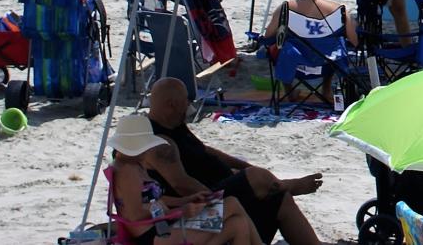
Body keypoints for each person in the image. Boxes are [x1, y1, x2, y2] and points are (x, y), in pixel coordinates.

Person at [145, 77, 324, 245]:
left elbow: (206, 151)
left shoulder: (175, 124)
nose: (189, 105)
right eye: (186, 100)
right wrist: (216, 200)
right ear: (171, 104)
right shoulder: (159, 142)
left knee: (279, 197)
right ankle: (288, 185)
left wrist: (244, 168)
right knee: (256, 178)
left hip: (222, 189)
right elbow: (182, 184)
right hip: (205, 203)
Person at [110, 113, 262, 244]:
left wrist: (186, 200)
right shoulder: (127, 171)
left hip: (161, 226)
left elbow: (151, 199)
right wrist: (180, 211)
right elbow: (135, 215)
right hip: (154, 235)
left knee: (238, 224)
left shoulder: (132, 163)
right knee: (232, 204)